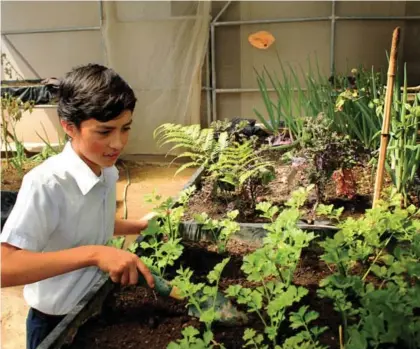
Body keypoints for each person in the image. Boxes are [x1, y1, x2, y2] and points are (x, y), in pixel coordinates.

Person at [0, 63, 155, 349]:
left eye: (126, 128)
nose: (118, 143)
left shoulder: (106, 169)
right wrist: (94, 254)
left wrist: (139, 225)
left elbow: (89, 223)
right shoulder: (47, 184)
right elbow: (5, 267)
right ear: (69, 127)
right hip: (54, 321)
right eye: (104, 131)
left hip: (96, 306)